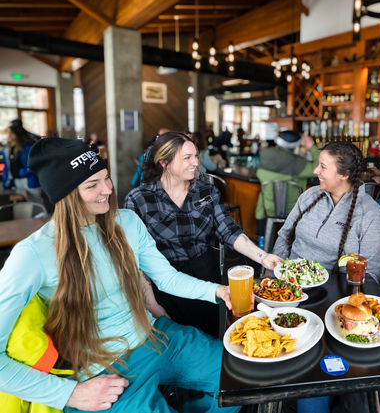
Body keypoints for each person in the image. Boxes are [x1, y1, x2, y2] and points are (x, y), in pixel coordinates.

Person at [0, 137, 240, 413]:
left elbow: (167, 278)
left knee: (241, 377)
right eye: (92, 185)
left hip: (155, 336)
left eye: (106, 178)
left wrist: (218, 291)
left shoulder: (127, 221)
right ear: (64, 195)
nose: (108, 190)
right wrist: (70, 394)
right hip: (101, 372)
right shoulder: (32, 254)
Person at [124, 131, 282, 336]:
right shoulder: (139, 200)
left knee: (210, 336)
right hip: (164, 284)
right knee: (175, 342)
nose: (195, 163)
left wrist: (263, 257)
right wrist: (152, 305)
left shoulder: (205, 189)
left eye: (196, 156)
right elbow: (135, 263)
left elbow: (228, 229)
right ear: (164, 162)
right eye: (187, 158)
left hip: (206, 275)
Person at [273, 141, 380, 284]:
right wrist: (273, 274)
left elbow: (371, 274)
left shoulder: (371, 215)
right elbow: (284, 236)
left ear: (344, 175)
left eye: (323, 166)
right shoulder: (309, 196)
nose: (316, 171)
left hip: (333, 294)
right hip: (287, 285)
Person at [255, 130, 320, 238]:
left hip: (267, 210)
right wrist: (312, 146)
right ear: (297, 145)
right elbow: (319, 167)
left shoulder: (265, 155)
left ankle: (262, 244)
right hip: (293, 212)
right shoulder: (298, 163)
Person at [1, 124, 41, 199]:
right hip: (17, 181)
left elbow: (34, 165)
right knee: (22, 205)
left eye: (10, 133)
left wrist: (22, 172)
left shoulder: (28, 147)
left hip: (29, 181)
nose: (8, 136)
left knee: (35, 205)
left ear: (16, 134)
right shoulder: (11, 148)